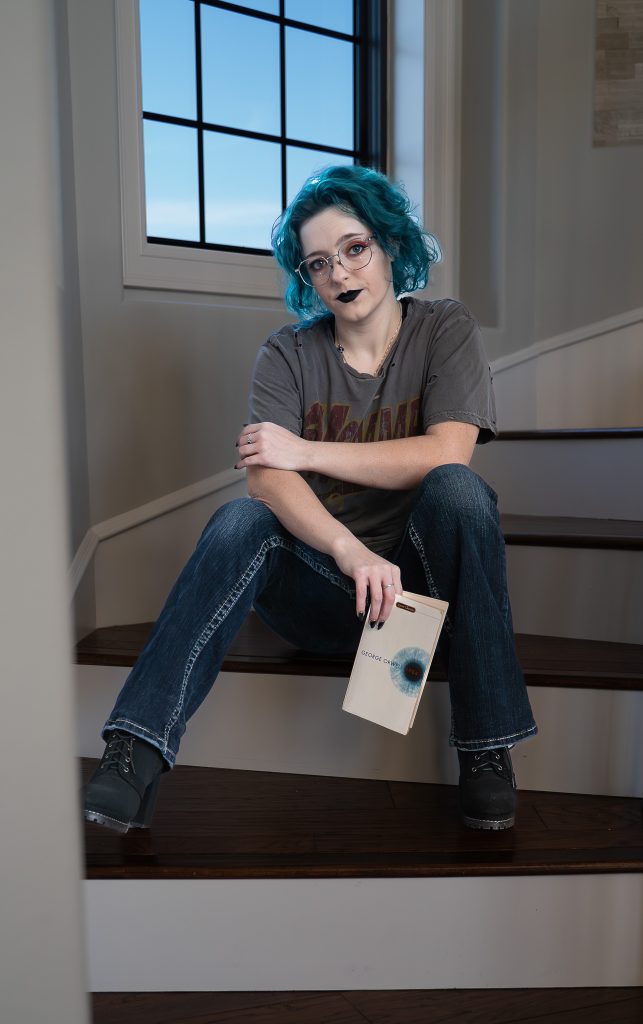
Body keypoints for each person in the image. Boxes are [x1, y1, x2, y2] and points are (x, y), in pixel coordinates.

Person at [84, 165, 536, 835]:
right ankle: (133, 750)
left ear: (388, 244)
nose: (340, 274)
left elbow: (447, 450)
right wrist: (349, 551)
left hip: (419, 605)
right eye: (318, 263)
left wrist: (307, 450)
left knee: (459, 492)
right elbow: (265, 480)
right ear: (307, 277)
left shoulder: (445, 329)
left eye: (354, 248)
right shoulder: (285, 354)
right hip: (324, 591)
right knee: (242, 516)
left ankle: (485, 750)